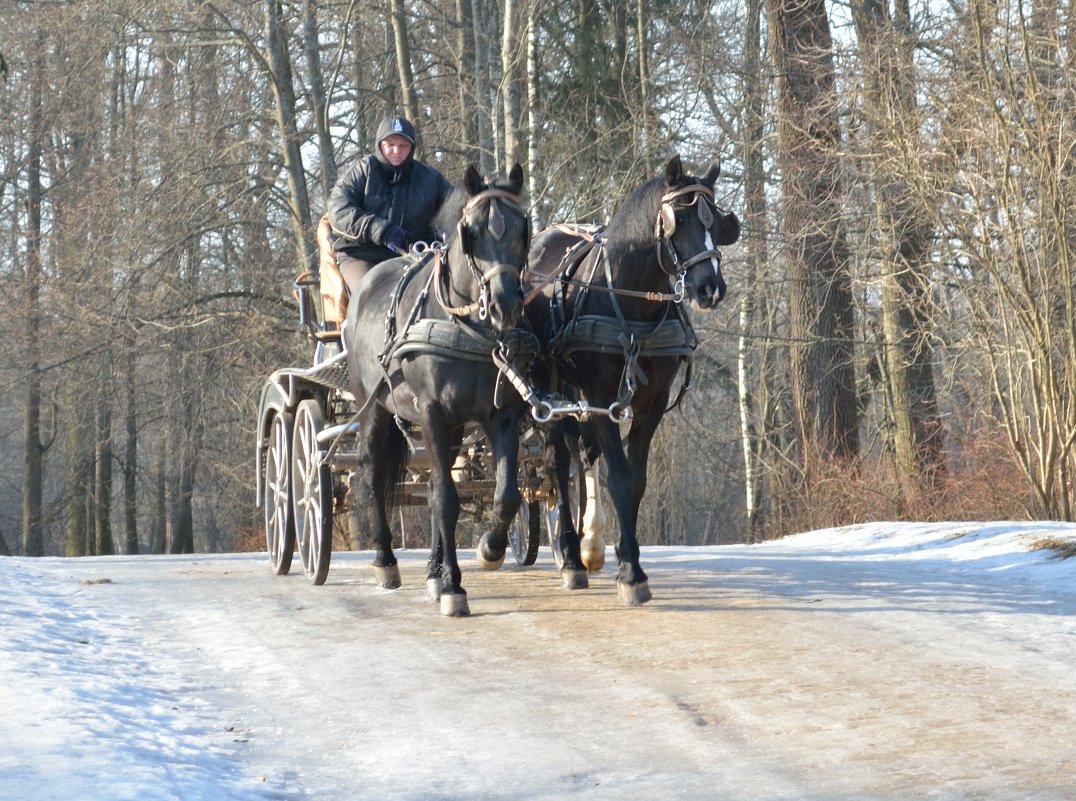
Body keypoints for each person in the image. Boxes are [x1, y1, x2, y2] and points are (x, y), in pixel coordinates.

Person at [326, 114, 452, 290]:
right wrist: (380, 230)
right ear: (380, 145)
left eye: (403, 146)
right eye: (390, 145)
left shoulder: (431, 178)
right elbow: (338, 210)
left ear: (412, 148)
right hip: (361, 256)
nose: (396, 150)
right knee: (371, 295)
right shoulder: (362, 170)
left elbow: (455, 210)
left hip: (416, 257)